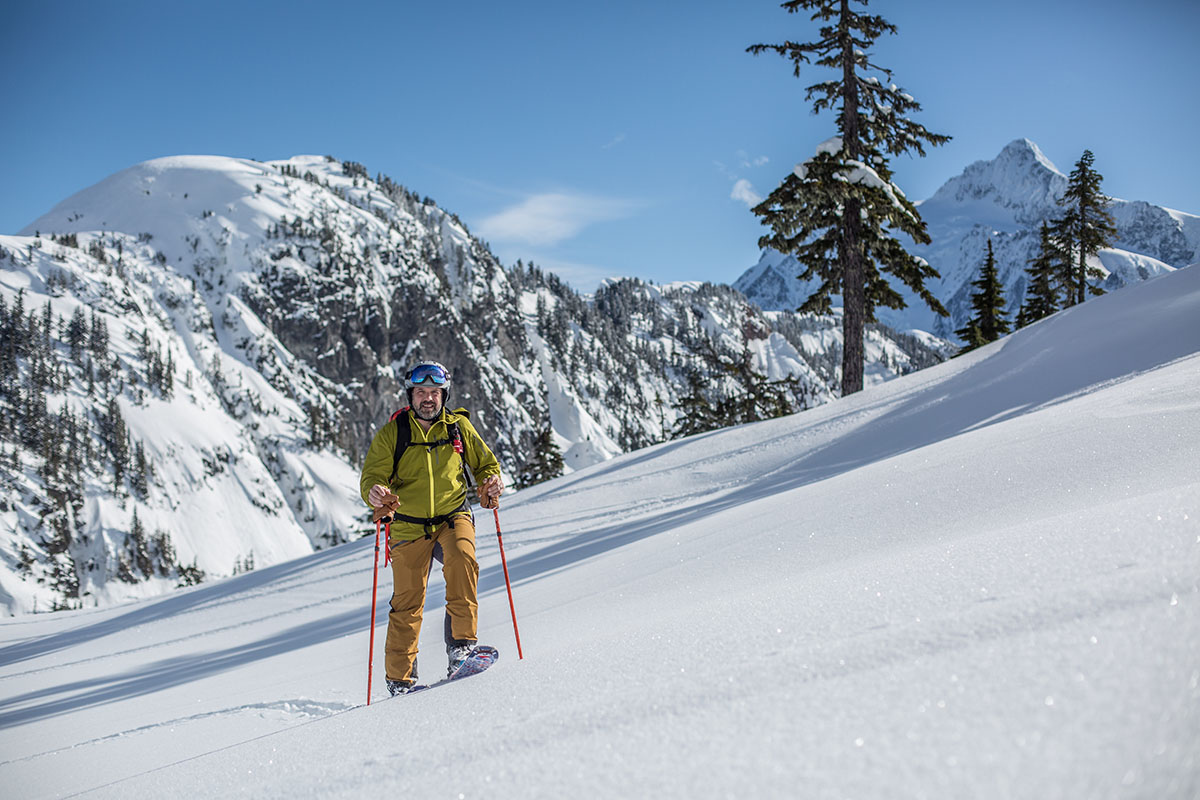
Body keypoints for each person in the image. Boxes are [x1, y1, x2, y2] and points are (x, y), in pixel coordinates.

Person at [360, 360, 504, 695]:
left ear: (443, 394)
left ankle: (461, 650)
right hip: (408, 526)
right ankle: (400, 680)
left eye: (434, 392)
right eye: (421, 392)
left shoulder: (458, 427)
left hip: (453, 516)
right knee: (408, 602)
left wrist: (490, 481)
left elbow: (486, 463)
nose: (428, 398)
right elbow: (372, 476)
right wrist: (374, 492)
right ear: (410, 395)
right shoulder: (393, 433)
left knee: (463, 562)